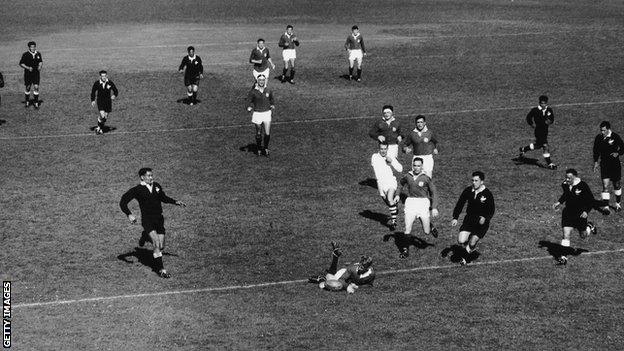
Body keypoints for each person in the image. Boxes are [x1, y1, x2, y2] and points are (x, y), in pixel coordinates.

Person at [119, 168, 187, 278]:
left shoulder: (156, 186)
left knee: (161, 246)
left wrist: (175, 202)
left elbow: (163, 198)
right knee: (156, 243)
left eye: (152, 175)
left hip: (159, 219)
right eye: (149, 176)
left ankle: (145, 236)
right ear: (142, 177)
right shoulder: (137, 190)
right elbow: (123, 201)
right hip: (148, 220)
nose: (151, 178)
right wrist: (129, 214)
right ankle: (161, 270)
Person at [552, 168, 597, 265]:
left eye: (569, 178)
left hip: (580, 214)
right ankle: (564, 257)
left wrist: (586, 211)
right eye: (566, 177)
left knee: (583, 235)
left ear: (575, 177)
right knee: (566, 234)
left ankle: (590, 226)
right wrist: (559, 202)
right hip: (568, 213)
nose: (567, 180)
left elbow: (591, 200)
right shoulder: (565, 184)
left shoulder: (583, 185)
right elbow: (566, 194)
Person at [451, 171, 496, 265]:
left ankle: (466, 258)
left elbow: (491, 209)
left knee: (472, 241)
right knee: (461, 240)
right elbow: (460, 203)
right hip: (469, 220)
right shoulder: (468, 190)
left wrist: (485, 217)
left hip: (481, 222)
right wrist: (455, 217)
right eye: (473, 180)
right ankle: (470, 247)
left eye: (476, 181)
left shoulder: (487, 194)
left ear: (482, 181)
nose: (474, 183)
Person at [398, 157, 439, 258]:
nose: (416, 168)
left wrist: (434, 207)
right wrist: (397, 195)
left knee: (426, 232)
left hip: (423, 203)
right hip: (411, 203)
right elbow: (400, 184)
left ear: (422, 166)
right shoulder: (408, 176)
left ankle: (430, 226)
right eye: (414, 165)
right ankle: (405, 250)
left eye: (418, 166)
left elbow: (434, 192)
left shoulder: (426, 178)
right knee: (407, 229)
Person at [308, 242, 375, 294]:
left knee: (335, 284)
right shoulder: (353, 268)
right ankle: (321, 279)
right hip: (344, 274)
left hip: (351, 281)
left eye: (363, 266)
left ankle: (335, 257)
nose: (360, 267)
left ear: (368, 267)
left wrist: (358, 287)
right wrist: (347, 286)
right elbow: (342, 280)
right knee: (331, 285)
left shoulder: (371, 274)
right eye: (360, 264)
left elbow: (369, 285)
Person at [518, 95, 557, 169]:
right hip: (538, 131)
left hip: (545, 131)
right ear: (539, 103)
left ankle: (524, 149)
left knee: (538, 145)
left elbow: (552, 118)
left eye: (544, 103)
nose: (543, 105)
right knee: (545, 146)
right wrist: (532, 124)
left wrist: (549, 121)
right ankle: (549, 163)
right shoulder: (535, 110)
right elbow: (529, 117)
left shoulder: (549, 110)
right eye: (542, 103)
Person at [593, 121, 624, 213]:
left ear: (608, 129)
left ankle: (618, 204)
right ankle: (606, 206)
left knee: (616, 185)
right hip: (604, 165)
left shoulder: (615, 137)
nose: (602, 132)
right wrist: (595, 162)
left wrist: (618, 153)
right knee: (605, 186)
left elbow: (623, 147)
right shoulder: (598, 138)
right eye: (601, 130)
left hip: (615, 165)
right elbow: (596, 150)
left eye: (604, 130)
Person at [371, 143, 403, 230]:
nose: (383, 151)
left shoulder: (390, 156)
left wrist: (391, 162)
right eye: (381, 149)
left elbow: (400, 169)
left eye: (385, 149)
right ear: (379, 149)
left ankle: (393, 222)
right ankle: (394, 207)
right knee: (388, 202)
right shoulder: (374, 157)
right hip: (381, 184)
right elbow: (377, 168)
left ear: (387, 149)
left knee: (389, 198)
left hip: (390, 181)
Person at [246, 75, 274, 156]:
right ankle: (258, 148)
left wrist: (272, 104)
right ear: (257, 81)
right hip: (257, 114)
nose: (261, 81)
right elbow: (248, 101)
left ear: (265, 81)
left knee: (267, 133)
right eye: (260, 80)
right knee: (258, 132)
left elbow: (272, 99)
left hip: (267, 113)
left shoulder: (268, 90)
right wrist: (248, 107)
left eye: (263, 80)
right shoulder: (253, 91)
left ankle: (265, 148)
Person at [90, 70, 119, 135]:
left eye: (105, 76)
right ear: (100, 76)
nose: (104, 77)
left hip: (108, 102)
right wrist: (93, 100)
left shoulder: (110, 82)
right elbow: (93, 92)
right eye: (102, 76)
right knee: (103, 116)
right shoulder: (97, 83)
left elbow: (116, 90)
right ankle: (99, 129)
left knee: (105, 118)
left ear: (106, 76)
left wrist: (114, 95)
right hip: (100, 101)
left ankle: (99, 128)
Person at [19, 41, 43, 108]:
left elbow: (40, 61)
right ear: (29, 47)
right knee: (28, 87)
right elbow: (21, 63)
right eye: (31, 47)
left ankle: (36, 103)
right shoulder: (25, 54)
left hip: (36, 73)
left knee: (36, 87)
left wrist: (40, 66)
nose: (33, 48)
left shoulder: (38, 54)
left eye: (34, 47)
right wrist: (28, 68)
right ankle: (27, 102)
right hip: (28, 74)